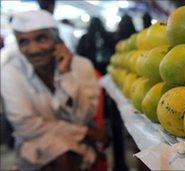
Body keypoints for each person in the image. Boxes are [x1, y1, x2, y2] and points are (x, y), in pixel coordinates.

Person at [1, 10, 107, 170]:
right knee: (58, 151)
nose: (34, 49)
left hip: (81, 144)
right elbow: (27, 127)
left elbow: (84, 116)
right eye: (23, 42)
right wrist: (86, 132)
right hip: (34, 143)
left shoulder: (81, 66)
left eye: (41, 38)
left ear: (57, 39)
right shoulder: (10, 72)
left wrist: (66, 75)